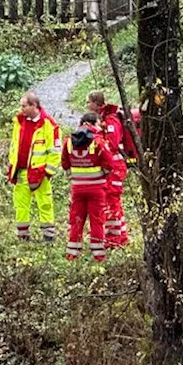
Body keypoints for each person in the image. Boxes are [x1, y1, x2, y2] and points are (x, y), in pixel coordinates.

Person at [60, 112, 118, 262]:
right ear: (93, 124)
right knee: (97, 221)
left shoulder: (68, 141)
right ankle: (98, 256)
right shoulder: (98, 141)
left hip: (77, 189)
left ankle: (72, 254)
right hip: (97, 189)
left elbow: (65, 163)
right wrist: (102, 174)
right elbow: (110, 163)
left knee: (76, 220)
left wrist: (73, 176)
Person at [7, 92, 62, 242]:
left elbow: (55, 152)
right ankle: (23, 236)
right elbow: (14, 146)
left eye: (24, 106)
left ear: (34, 106)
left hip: (40, 173)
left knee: (44, 204)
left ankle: (48, 237)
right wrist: (12, 166)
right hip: (21, 172)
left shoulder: (48, 125)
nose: (21, 109)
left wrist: (48, 172)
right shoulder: (19, 122)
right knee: (20, 205)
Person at [85, 91, 130, 248]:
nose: (86, 106)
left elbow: (112, 144)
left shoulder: (111, 120)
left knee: (112, 202)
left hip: (115, 168)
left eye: (88, 102)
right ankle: (120, 236)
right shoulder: (102, 119)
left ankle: (115, 240)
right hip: (110, 167)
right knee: (110, 201)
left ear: (96, 103)